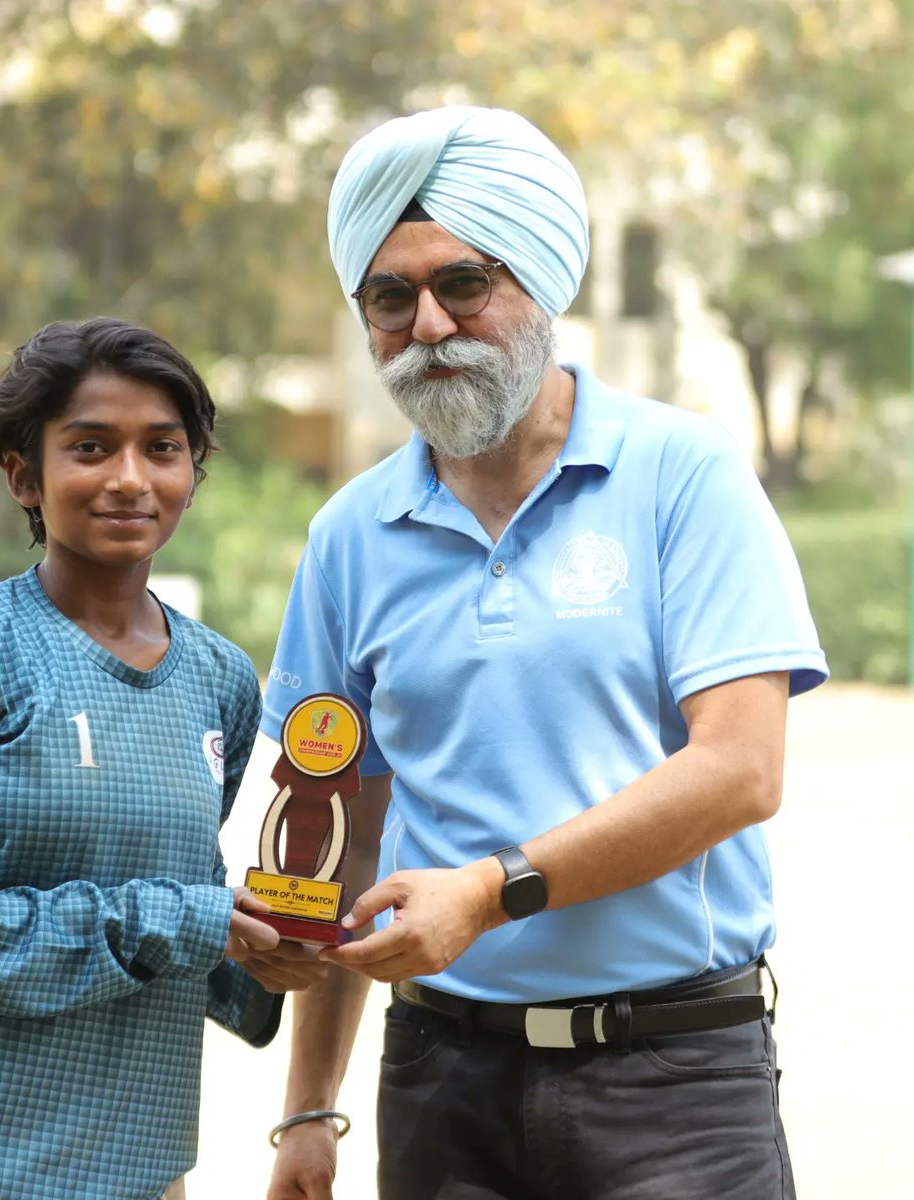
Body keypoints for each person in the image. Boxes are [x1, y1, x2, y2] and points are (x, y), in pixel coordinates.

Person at [262, 107, 827, 1200]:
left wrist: (489, 892)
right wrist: (306, 1107)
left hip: (674, 1083)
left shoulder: (682, 476)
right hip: (439, 1083)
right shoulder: (348, 537)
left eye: (463, 284)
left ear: (543, 286)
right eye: (390, 297)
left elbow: (740, 771)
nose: (429, 325)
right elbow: (340, 832)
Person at [0, 317, 322, 1200]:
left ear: (191, 476)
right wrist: (170, 920)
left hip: (131, 1166)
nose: (130, 478)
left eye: (163, 448)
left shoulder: (222, 681)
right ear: (25, 474)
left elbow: (181, 890)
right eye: (90, 447)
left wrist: (264, 956)